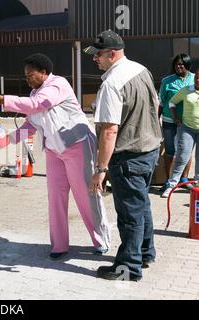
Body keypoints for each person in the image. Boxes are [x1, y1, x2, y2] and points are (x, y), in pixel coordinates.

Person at [0, 53, 111, 260]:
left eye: (30, 75)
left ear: (43, 72)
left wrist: (1, 100)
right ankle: (59, 245)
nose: (28, 79)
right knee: (56, 198)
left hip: (77, 145)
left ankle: (100, 240)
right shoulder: (35, 93)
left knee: (86, 196)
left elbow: (38, 105)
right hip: (54, 151)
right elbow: (31, 124)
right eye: (25, 76)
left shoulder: (57, 85)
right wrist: (7, 139)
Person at [84, 30, 162, 281]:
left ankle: (129, 267)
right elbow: (156, 105)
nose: (95, 59)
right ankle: (145, 252)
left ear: (112, 54)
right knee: (141, 207)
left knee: (130, 214)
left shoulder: (112, 83)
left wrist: (100, 169)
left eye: (98, 55)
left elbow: (109, 130)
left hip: (128, 157)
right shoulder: (141, 70)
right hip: (148, 150)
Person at [159, 54, 195, 197]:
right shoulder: (167, 81)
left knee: (186, 151)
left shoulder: (194, 78)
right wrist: (157, 119)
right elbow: (161, 102)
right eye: (176, 64)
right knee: (170, 151)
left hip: (188, 121)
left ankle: (184, 179)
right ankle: (169, 180)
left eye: (182, 64)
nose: (179, 66)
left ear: (188, 65)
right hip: (169, 121)